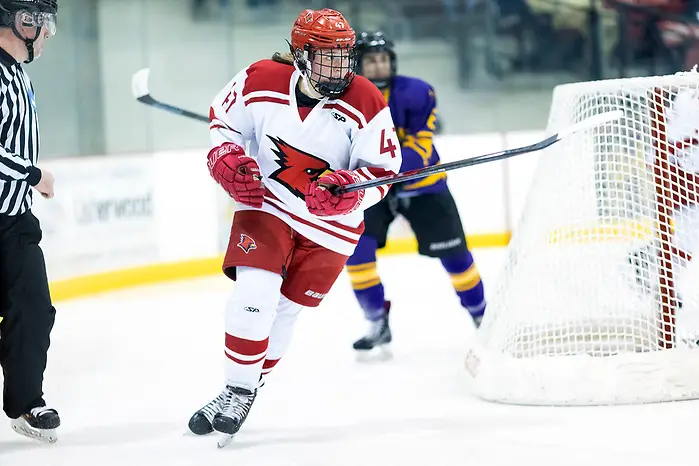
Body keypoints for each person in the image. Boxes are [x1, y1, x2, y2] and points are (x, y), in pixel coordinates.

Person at [187, 8, 402, 443]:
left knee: (284, 316)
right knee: (254, 293)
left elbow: (384, 171)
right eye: (327, 56)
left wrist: (353, 187)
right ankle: (238, 388)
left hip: (331, 228)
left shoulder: (365, 99)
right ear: (300, 54)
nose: (339, 67)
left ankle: (237, 390)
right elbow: (223, 122)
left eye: (344, 56)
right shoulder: (259, 78)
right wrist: (224, 156)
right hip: (267, 204)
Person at [346, 31, 486, 357]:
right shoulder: (344, 99)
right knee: (358, 257)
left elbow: (421, 147)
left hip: (422, 185)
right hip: (371, 190)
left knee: (457, 258)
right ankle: (376, 321)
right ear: (358, 64)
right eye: (370, 60)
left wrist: (378, 173)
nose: (378, 66)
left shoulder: (418, 92)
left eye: (383, 59)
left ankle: (483, 316)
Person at [0, 0, 60, 443]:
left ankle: (25, 402)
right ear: (23, 22)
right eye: (46, 24)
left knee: (34, 311)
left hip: (16, 220)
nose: (50, 34)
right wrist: (33, 173)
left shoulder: (19, 75)